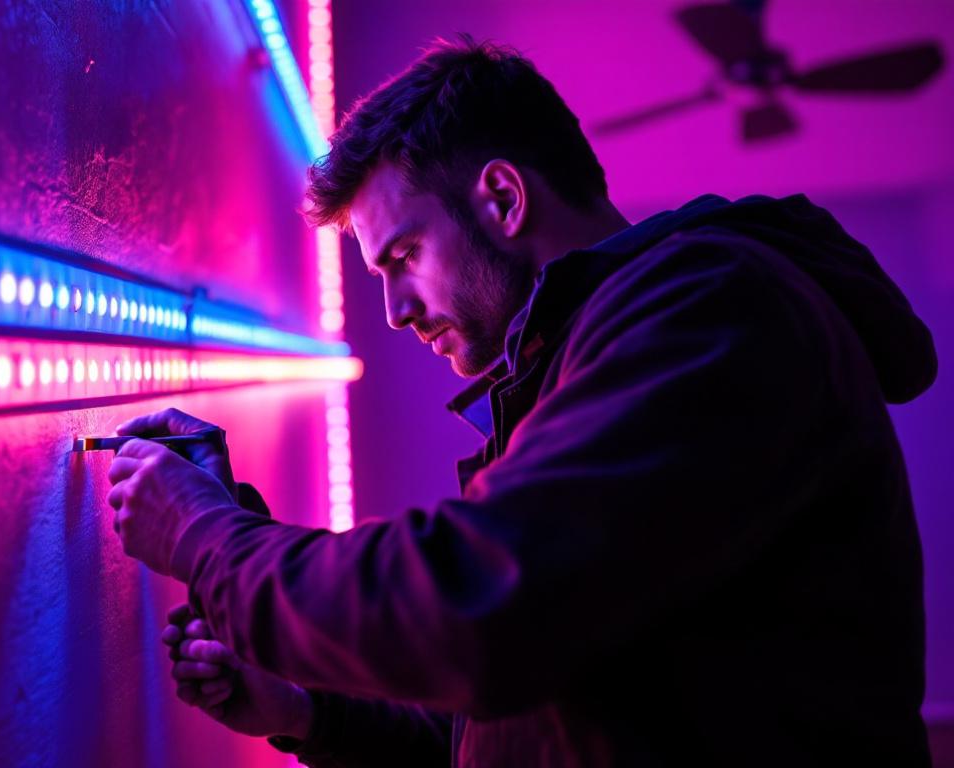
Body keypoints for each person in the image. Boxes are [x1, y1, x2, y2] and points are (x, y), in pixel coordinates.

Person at [105, 37, 937, 767]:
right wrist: (308, 713)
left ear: (502, 199)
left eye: (403, 255)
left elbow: (479, 612)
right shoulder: (580, 359)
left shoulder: (710, 307)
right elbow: (533, 729)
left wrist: (205, 535)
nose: (395, 312)